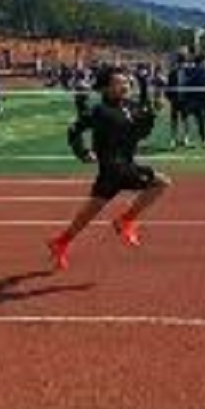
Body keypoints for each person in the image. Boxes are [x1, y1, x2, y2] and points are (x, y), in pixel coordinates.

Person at [48, 68, 171, 272]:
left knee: (88, 213)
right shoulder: (100, 111)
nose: (125, 86)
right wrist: (82, 152)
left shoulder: (130, 106)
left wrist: (153, 112)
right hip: (116, 168)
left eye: (127, 82)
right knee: (162, 182)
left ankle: (61, 242)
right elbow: (74, 130)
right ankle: (126, 220)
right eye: (119, 83)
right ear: (105, 88)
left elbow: (142, 132)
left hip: (115, 170)